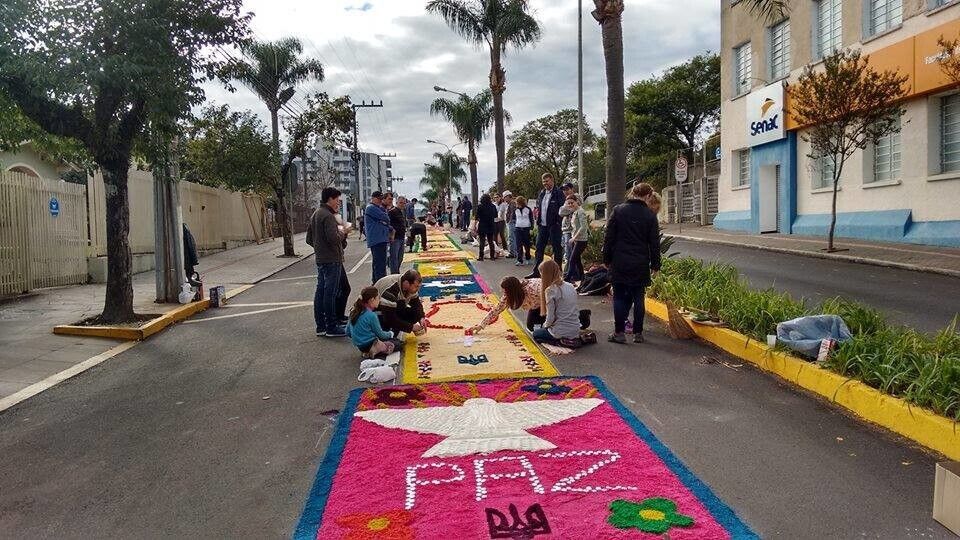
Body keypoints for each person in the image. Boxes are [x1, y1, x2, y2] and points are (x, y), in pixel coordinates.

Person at [603, 182, 662, 344]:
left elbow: (609, 238)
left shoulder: (618, 210)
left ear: (632, 193)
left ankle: (619, 333)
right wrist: (655, 265)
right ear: (649, 196)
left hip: (620, 261)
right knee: (638, 297)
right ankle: (638, 333)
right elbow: (654, 243)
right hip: (640, 262)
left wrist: (606, 259)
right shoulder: (650, 216)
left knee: (620, 297)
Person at [306, 186, 348, 338]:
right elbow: (333, 238)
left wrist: (319, 248)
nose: (338, 202)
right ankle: (331, 326)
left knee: (321, 292)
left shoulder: (316, 214)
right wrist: (343, 233)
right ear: (330, 199)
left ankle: (321, 326)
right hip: (331, 259)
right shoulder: (328, 216)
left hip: (322, 258)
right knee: (330, 293)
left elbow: (309, 239)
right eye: (337, 199)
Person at [531, 260, 582, 345]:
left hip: (560, 331)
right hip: (575, 329)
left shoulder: (550, 290)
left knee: (536, 334)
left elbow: (551, 317)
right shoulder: (570, 286)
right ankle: (570, 340)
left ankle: (560, 341)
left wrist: (545, 326)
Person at [526, 173, 564, 279]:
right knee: (539, 248)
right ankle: (536, 271)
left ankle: (557, 273)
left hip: (554, 226)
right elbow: (538, 206)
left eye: (547, 181)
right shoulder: (542, 193)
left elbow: (562, 209)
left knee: (557, 248)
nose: (545, 184)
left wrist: (557, 222)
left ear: (552, 180)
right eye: (543, 182)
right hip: (542, 226)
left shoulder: (558, 193)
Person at [374, 269, 427, 336]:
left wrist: (421, 318)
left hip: (390, 308)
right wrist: (411, 327)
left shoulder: (409, 287)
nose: (418, 289)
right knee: (394, 342)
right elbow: (389, 318)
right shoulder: (391, 290)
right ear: (407, 283)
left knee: (415, 314)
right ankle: (389, 333)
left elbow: (416, 304)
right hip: (377, 312)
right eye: (416, 286)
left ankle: (394, 330)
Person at [347, 287, 396, 358]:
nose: (379, 300)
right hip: (371, 344)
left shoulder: (354, 311)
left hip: (360, 346)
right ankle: (375, 352)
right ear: (372, 300)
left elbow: (347, 331)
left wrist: (358, 336)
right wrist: (391, 334)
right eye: (378, 298)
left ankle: (368, 352)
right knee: (397, 343)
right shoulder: (371, 315)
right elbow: (381, 335)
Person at [364, 191, 393, 284]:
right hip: (377, 240)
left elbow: (386, 220)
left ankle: (376, 284)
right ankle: (381, 285)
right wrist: (383, 220)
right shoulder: (371, 208)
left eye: (381, 199)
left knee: (378, 264)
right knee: (380, 265)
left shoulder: (378, 208)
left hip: (380, 239)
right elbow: (386, 218)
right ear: (373, 198)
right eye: (379, 199)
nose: (380, 201)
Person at [563, 195, 589, 283]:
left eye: (572, 203)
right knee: (577, 260)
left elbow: (583, 227)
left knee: (572, 259)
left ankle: (567, 278)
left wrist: (574, 237)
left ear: (576, 201)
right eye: (568, 203)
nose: (570, 205)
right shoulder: (574, 212)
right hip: (576, 240)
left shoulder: (580, 212)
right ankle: (582, 278)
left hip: (581, 240)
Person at [386, 193, 407, 274]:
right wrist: (391, 233)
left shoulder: (402, 212)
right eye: (401, 203)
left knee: (400, 258)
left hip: (401, 237)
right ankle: (395, 275)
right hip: (395, 238)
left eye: (404, 203)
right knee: (394, 258)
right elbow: (387, 223)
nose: (402, 204)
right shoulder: (392, 211)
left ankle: (396, 273)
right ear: (397, 202)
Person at [475, 193, 498, 261]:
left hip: (482, 225)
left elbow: (477, 216)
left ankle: (481, 256)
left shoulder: (480, 206)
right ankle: (492, 256)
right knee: (491, 241)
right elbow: (496, 215)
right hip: (491, 225)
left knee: (482, 241)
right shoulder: (493, 206)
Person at [513, 196, 533, 266]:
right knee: (519, 245)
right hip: (518, 228)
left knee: (527, 245)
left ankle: (528, 258)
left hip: (526, 229)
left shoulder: (528, 209)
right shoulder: (515, 210)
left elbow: (531, 219)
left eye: (517, 203)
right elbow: (513, 218)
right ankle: (519, 260)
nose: (517, 204)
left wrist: (531, 228)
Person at [503, 191, 517, 259]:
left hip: (512, 222)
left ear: (508, 196)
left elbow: (512, 213)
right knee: (512, 238)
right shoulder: (509, 204)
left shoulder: (512, 203)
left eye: (505, 197)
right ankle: (514, 252)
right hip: (510, 222)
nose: (504, 199)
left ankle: (512, 253)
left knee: (511, 238)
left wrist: (509, 221)